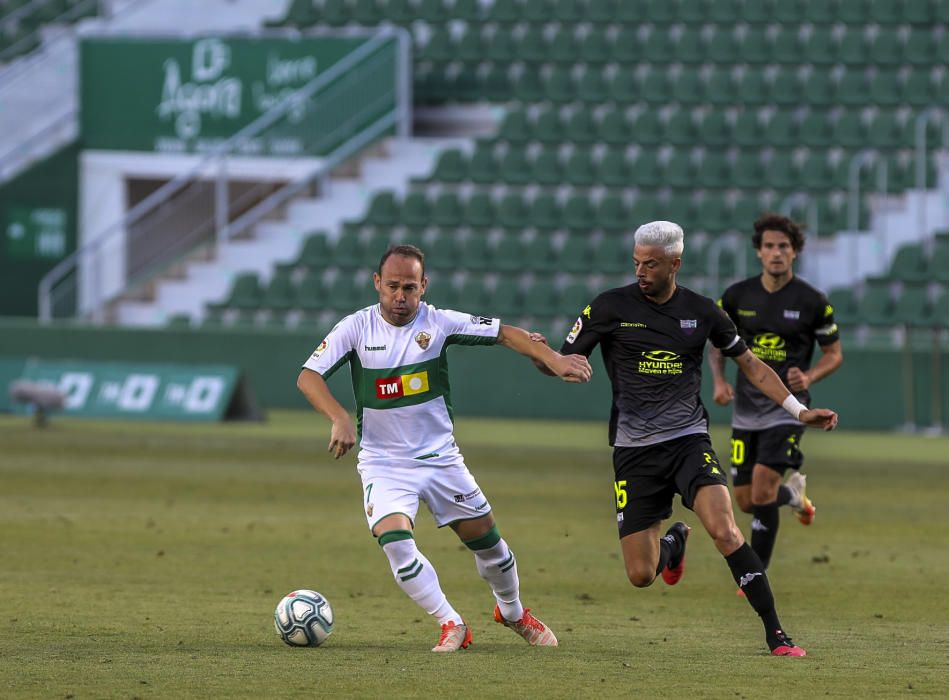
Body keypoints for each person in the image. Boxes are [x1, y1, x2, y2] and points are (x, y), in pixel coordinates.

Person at [536, 221, 838, 657]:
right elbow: (561, 360)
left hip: (687, 441)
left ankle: (777, 635)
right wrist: (546, 358)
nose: (641, 271)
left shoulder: (703, 312)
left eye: (651, 264)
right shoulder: (607, 307)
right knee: (641, 574)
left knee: (726, 529)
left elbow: (752, 367)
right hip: (634, 450)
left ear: (675, 264)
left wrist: (799, 410)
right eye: (637, 262)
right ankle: (674, 542)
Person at [297, 244, 593, 652]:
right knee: (395, 542)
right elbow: (309, 376)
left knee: (493, 549)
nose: (401, 297)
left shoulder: (439, 323)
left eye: (410, 288)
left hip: (440, 459)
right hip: (384, 463)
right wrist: (339, 417)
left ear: (424, 286)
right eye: (393, 287)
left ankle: (512, 612)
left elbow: (506, 333)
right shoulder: (356, 327)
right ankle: (451, 623)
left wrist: (554, 359)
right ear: (377, 283)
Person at [709, 213, 843, 578]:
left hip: (789, 409)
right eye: (769, 246)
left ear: (795, 251)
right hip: (746, 411)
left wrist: (810, 375)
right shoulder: (736, 296)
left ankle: (754, 574)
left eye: (783, 246)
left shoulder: (813, 301)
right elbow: (718, 345)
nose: (776, 253)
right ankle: (794, 497)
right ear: (759, 252)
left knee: (765, 485)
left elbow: (834, 353)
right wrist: (719, 381)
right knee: (747, 500)